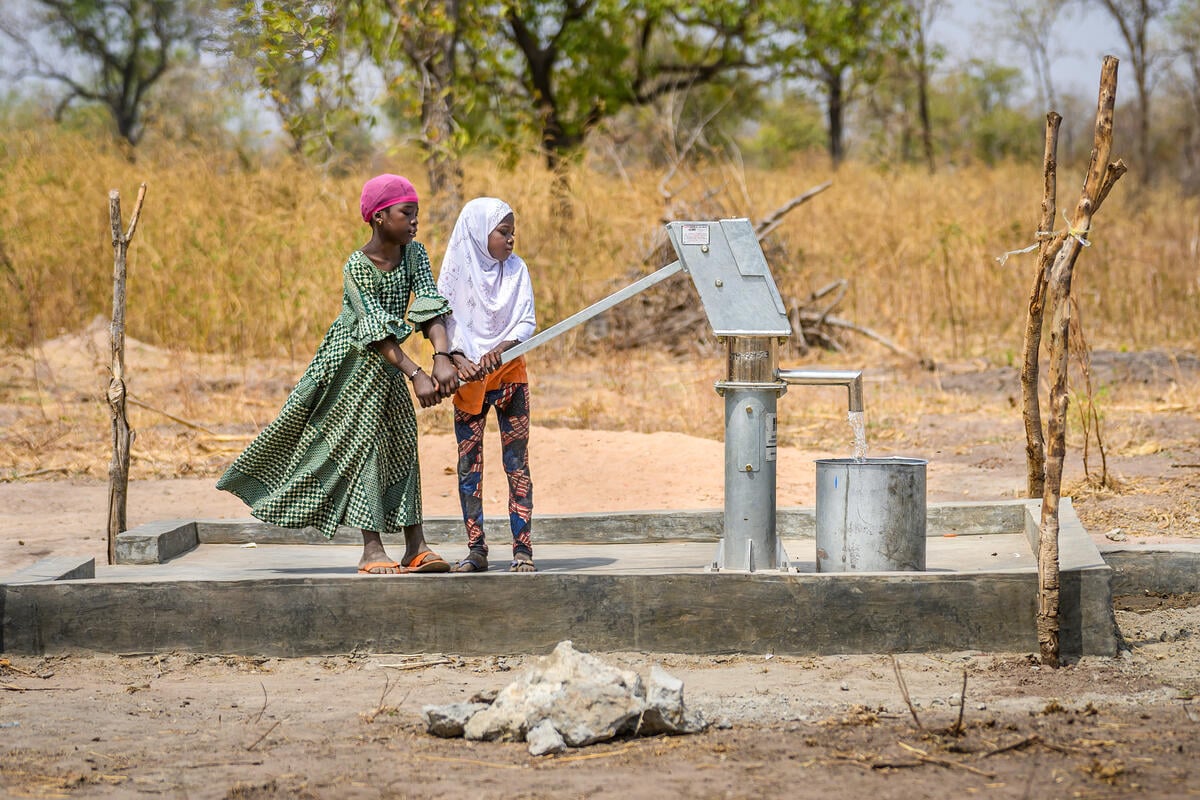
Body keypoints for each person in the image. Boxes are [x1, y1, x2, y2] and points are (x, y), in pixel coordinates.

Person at [216, 174, 459, 574]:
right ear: (380, 217)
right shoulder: (357, 265)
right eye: (407, 213)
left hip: (389, 367)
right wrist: (416, 372)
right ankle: (372, 548)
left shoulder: (414, 255)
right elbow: (375, 330)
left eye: (416, 214)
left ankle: (416, 545)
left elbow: (430, 305)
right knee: (363, 446)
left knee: (403, 443)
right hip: (349, 366)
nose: (415, 221)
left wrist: (442, 356)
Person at [437, 197, 537, 573]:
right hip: (469, 383)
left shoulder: (516, 270)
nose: (510, 240)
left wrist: (502, 348)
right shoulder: (453, 274)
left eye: (512, 233)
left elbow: (526, 321)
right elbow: (444, 326)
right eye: (503, 232)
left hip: (510, 376)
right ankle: (476, 550)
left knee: (517, 464)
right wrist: (458, 358)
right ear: (479, 235)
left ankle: (522, 549)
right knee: (469, 467)